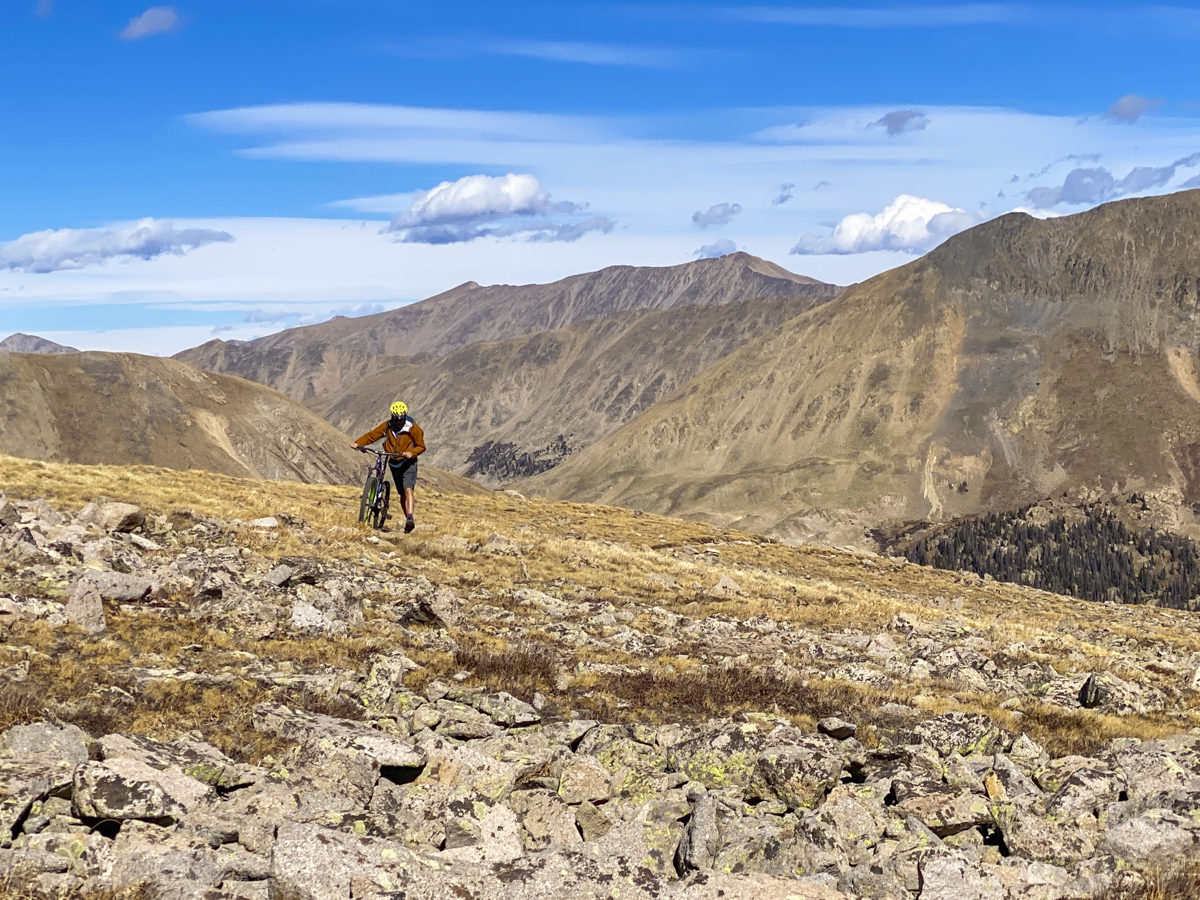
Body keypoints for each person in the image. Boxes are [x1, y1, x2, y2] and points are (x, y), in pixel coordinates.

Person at [351, 401, 426, 533]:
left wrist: (411, 453)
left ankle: (410, 518)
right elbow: (372, 435)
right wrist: (358, 443)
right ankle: (403, 516)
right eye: (396, 420)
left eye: (401, 420)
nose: (399, 423)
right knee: (401, 492)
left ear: (404, 416)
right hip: (393, 461)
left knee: (408, 489)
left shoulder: (413, 428)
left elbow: (421, 446)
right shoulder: (387, 426)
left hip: (408, 462)